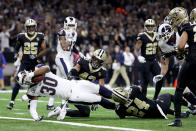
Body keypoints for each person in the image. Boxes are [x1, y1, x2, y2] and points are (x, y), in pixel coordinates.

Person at [16, 64, 128, 121]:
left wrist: (31, 75)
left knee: (98, 88)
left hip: (75, 84)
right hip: (72, 95)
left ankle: (121, 98)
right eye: (24, 81)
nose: (27, 81)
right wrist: (35, 117)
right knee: (98, 99)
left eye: (25, 78)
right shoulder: (32, 90)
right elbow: (33, 107)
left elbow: (46, 68)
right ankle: (117, 107)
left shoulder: (38, 70)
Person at [48, 49, 108, 118]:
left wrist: (97, 98)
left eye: (98, 61)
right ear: (92, 57)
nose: (95, 62)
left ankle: (61, 111)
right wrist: (71, 77)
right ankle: (61, 107)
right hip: (74, 88)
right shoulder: (84, 61)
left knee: (85, 112)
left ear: (101, 62)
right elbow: (74, 70)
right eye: (95, 59)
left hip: (83, 92)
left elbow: (101, 87)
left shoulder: (102, 71)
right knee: (85, 110)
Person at [154, 22, 196, 109]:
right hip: (183, 65)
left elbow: (188, 49)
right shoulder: (163, 44)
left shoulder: (181, 34)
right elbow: (165, 64)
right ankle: (193, 106)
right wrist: (162, 75)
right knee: (183, 90)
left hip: (192, 62)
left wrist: (173, 51)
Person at [7, 18, 47, 109]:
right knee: (18, 81)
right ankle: (12, 102)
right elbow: (16, 48)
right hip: (24, 62)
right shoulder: (21, 36)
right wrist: (15, 55)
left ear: (35, 27)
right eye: (30, 27)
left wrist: (37, 55)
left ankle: (30, 102)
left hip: (34, 63)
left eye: (33, 27)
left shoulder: (40, 36)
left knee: (32, 83)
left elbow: (44, 50)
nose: (31, 29)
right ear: (26, 28)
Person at [168, 8, 196, 127]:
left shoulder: (187, 26)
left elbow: (180, 46)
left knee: (179, 88)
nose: (172, 21)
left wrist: (180, 51)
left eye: (173, 18)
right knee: (192, 83)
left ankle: (178, 119)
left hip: (192, 59)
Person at [47, 16, 78, 110]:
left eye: (73, 25)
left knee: (57, 82)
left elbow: (72, 47)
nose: (71, 27)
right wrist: (69, 41)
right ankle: (64, 104)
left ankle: (50, 104)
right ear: (66, 25)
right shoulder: (62, 32)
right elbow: (64, 46)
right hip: (61, 57)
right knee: (68, 79)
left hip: (67, 58)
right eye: (70, 25)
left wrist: (80, 53)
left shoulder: (74, 33)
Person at [115, 85, 190, 119]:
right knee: (168, 95)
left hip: (152, 115)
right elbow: (140, 88)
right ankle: (190, 105)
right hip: (158, 107)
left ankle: (178, 113)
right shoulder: (133, 90)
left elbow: (122, 116)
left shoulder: (119, 109)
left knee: (155, 105)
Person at [134, 19, 163, 100]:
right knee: (145, 82)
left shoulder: (157, 35)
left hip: (154, 61)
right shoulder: (142, 36)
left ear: (154, 27)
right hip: (145, 61)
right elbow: (136, 49)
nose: (150, 27)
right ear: (145, 27)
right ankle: (143, 100)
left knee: (160, 79)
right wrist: (138, 56)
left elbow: (158, 50)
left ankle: (155, 97)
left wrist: (160, 61)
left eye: (151, 26)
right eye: (148, 26)